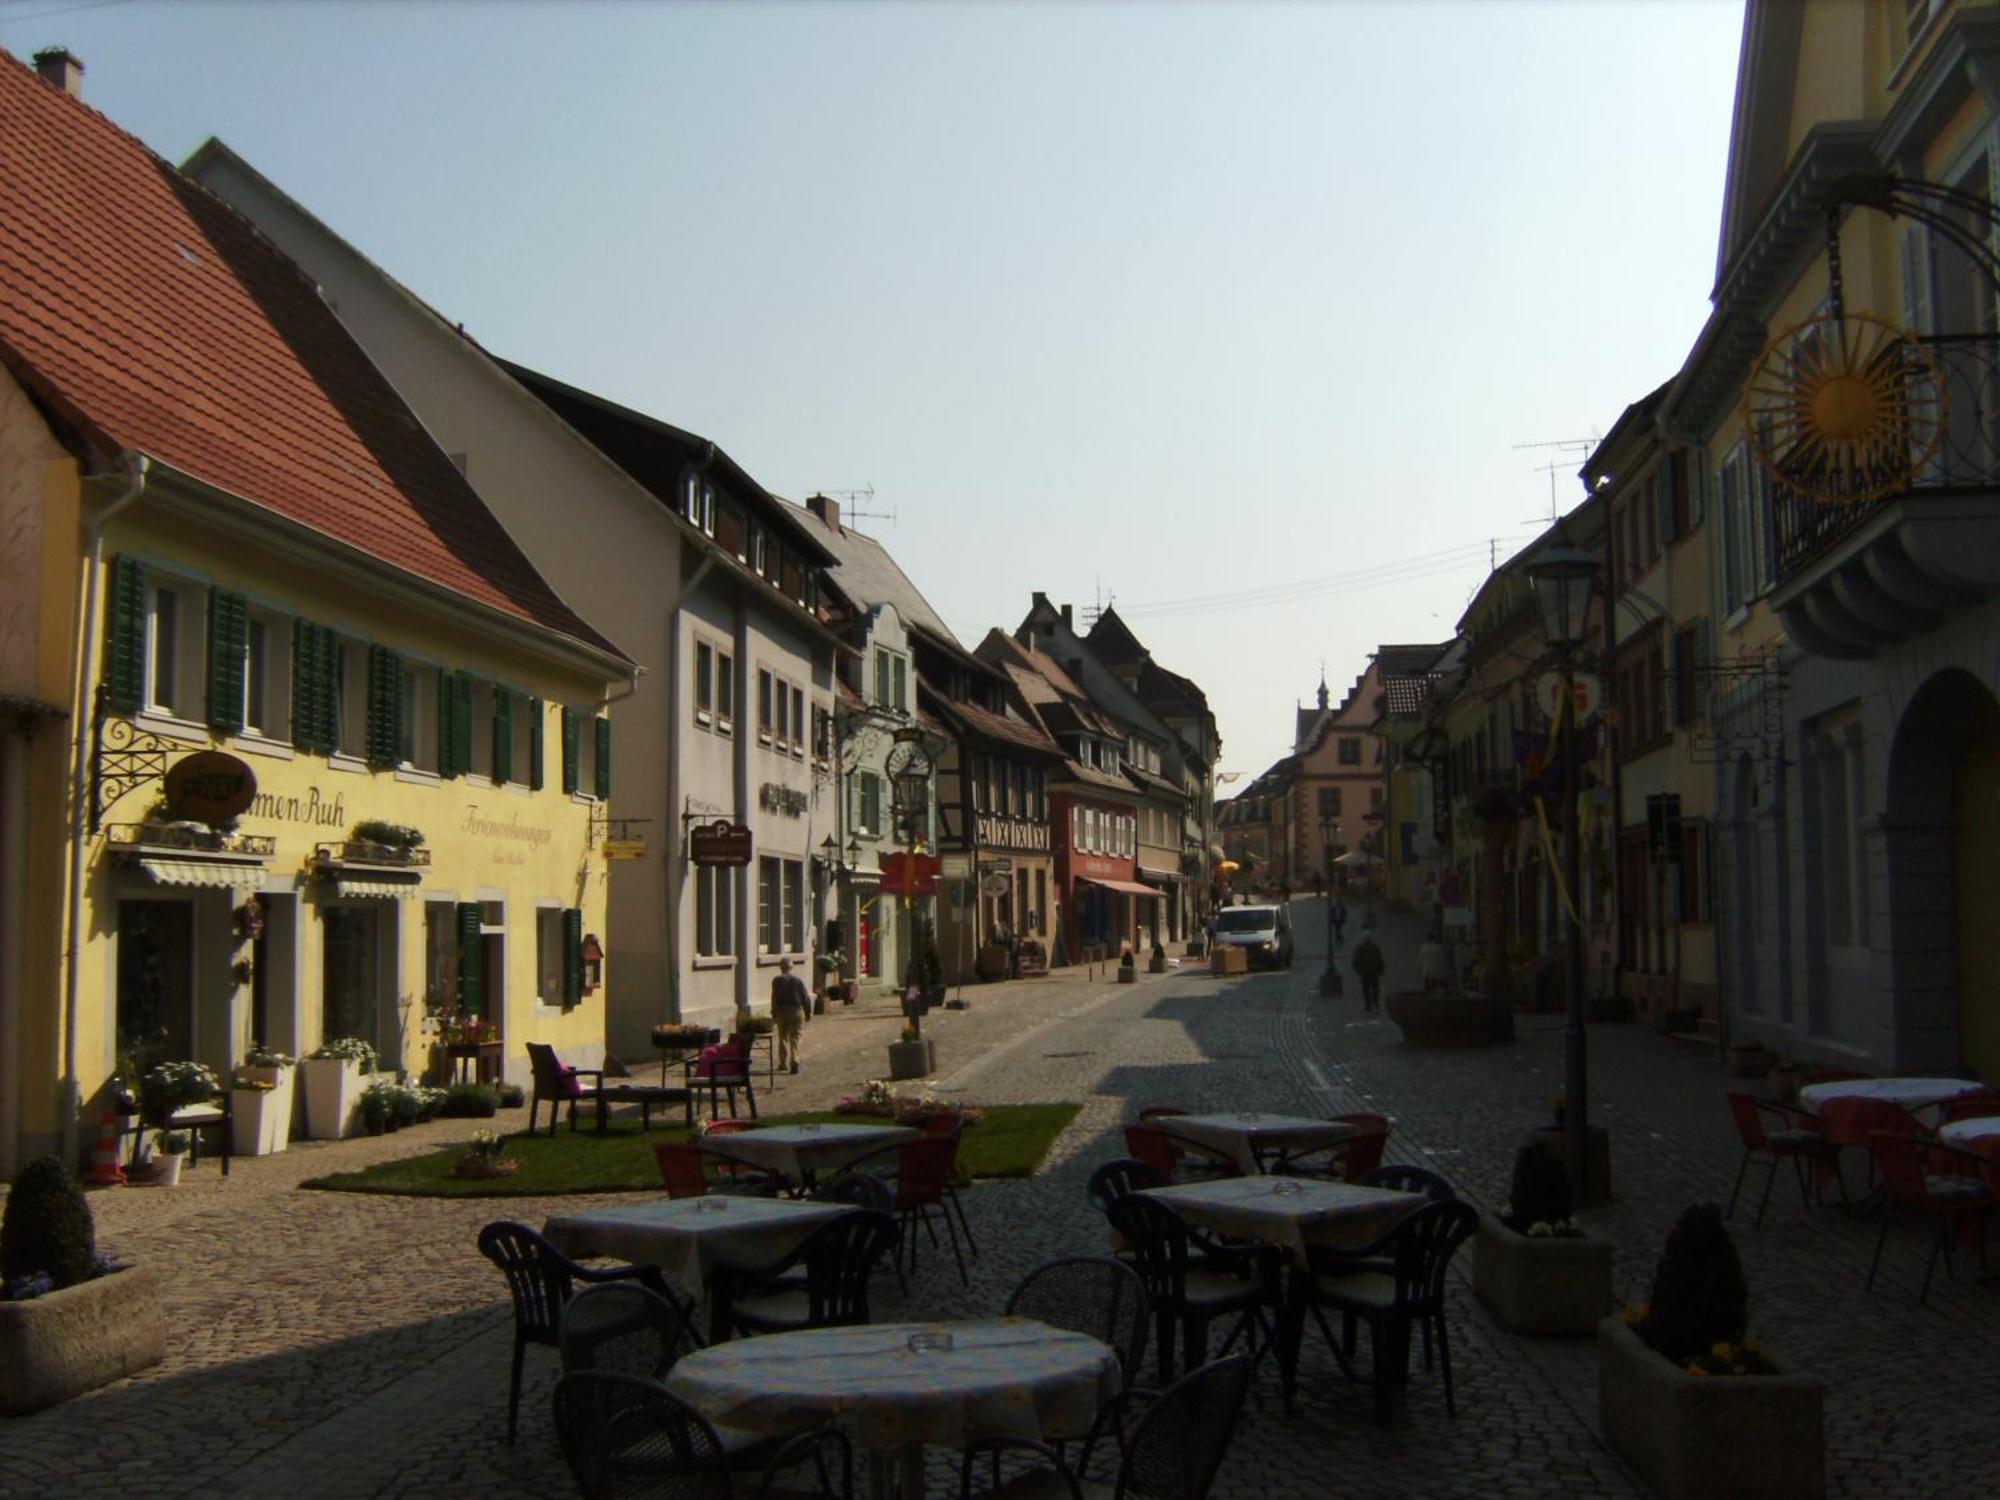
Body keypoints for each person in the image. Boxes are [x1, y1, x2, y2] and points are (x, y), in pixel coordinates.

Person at [770, 957, 811, 1074]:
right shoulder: (798, 981)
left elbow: (774, 998)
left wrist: (773, 1012)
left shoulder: (776, 981)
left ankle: (783, 1063)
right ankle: (794, 1059)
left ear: (781, 967)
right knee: (795, 1037)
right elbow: (806, 998)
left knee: (783, 1037)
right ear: (791, 967)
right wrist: (808, 1013)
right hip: (796, 1010)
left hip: (782, 1011)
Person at [1352, 932, 1386, 1014]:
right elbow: (1380, 960)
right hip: (1374, 972)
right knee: (1375, 989)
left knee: (1366, 989)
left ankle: (1368, 1005)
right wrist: (1381, 970)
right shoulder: (1375, 948)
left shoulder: (1359, 949)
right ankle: (1375, 1003)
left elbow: (1355, 962)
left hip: (1364, 972)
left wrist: (1359, 970)